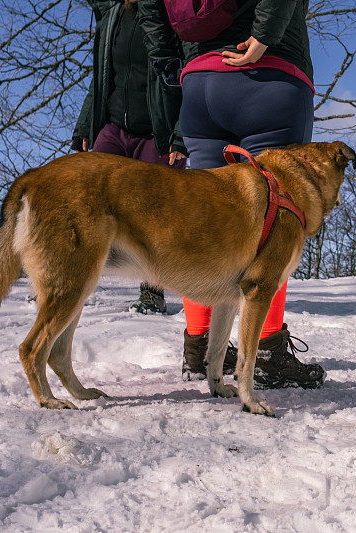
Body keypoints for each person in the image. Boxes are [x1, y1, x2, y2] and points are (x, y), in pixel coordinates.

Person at [139, 0, 324, 388]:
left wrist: (175, 65)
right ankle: (269, 352)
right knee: (277, 222)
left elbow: (150, 8)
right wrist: (265, 35)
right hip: (270, 76)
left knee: (206, 223)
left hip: (200, 83)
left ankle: (199, 348)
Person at [72, 0, 186, 314]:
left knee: (155, 213)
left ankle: (153, 291)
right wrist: (86, 125)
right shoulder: (113, 16)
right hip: (113, 127)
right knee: (89, 200)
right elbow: (102, 76)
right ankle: (71, 283)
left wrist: (180, 136)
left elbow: (188, 77)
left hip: (157, 131)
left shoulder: (171, 14)